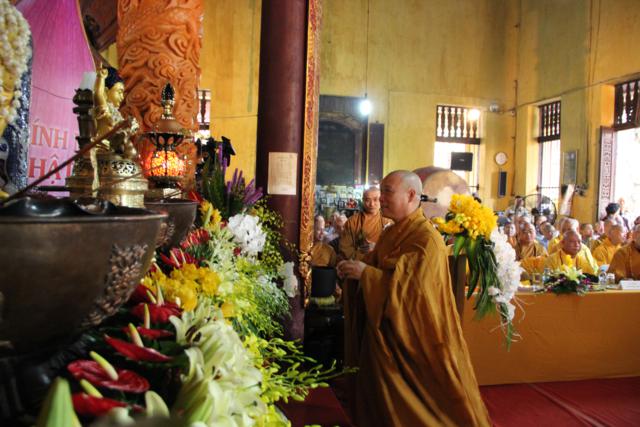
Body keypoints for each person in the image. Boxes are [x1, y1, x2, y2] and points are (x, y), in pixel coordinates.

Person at [337, 170, 490, 427]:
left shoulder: (427, 240)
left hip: (416, 339)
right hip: (384, 333)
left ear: (410, 195)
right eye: (381, 191)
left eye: (387, 192)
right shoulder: (390, 233)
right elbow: (378, 266)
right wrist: (356, 269)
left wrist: (367, 275)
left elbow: (416, 295)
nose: (381, 199)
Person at [338, 187, 392, 261]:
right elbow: (345, 248)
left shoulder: (388, 220)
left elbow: (393, 247)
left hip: (380, 262)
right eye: (367, 200)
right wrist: (360, 259)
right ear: (363, 200)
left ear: (381, 200)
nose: (372, 204)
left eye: (375, 199)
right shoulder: (353, 221)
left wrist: (377, 248)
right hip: (356, 262)